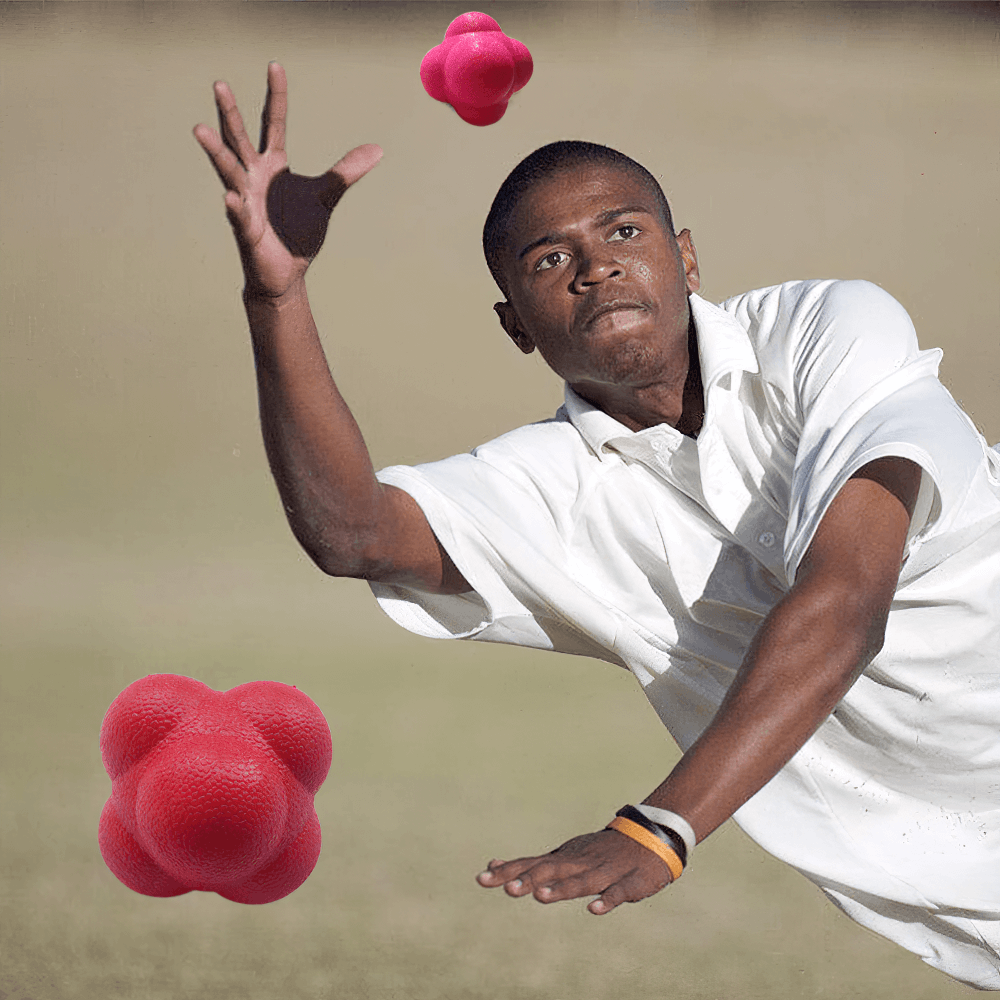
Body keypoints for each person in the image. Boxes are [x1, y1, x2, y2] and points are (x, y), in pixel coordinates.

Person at [194, 63, 1000, 989]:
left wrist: (660, 826)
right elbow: (355, 535)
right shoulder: (550, 485)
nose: (596, 265)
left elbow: (846, 599)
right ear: (516, 326)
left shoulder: (829, 332)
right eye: (549, 260)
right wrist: (278, 299)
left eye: (623, 231)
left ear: (686, 259)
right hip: (961, 870)